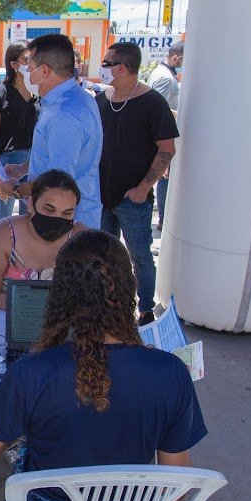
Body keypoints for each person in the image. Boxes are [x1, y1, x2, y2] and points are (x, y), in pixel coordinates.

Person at [0, 230, 207, 501]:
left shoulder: (33, 371)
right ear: (129, 289)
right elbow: (176, 492)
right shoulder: (171, 372)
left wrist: (12, 418)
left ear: (60, 294)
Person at [96, 42, 178, 327]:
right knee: (103, 256)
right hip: (101, 197)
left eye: (106, 63)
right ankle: (108, 306)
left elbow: (167, 149)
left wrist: (143, 188)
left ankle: (144, 310)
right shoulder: (101, 99)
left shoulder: (153, 103)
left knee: (140, 256)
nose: (102, 68)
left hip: (134, 200)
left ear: (121, 67)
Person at [0, 34, 103, 230]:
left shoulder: (65, 113)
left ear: (44, 70)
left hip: (64, 225)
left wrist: (16, 189)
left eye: (29, 68)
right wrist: (23, 168)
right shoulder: (69, 101)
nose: (27, 74)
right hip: (65, 219)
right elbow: (56, 153)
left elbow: (57, 184)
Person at [0, 169, 87, 309]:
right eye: (49, 209)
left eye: (67, 213)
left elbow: (88, 299)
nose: (57, 218)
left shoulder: (80, 239)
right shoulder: (2, 235)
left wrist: (17, 302)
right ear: (30, 204)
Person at [0, 41, 38, 220]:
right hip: (8, 162)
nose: (31, 64)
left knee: (30, 216)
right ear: (14, 64)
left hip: (34, 161)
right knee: (4, 218)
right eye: (26, 60)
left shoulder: (38, 93)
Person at [147, 40, 183, 231]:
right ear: (176, 58)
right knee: (164, 179)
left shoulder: (163, 73)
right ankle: (163, 217)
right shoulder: (166, 77)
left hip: (164, 136)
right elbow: (157, 109)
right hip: (163, 138)